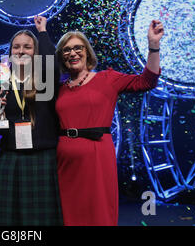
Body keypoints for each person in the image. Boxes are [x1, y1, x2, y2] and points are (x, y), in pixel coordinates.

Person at [55, 20, 164, 226]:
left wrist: (153, 46)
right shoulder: (58, 89)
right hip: (65, 163)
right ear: (62, 57)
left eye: (78, 48)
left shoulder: (107, 78)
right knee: (68, 215)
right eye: (67, 50)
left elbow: (147, 81)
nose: (73, 53)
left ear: (87, 52)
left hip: (97, 158)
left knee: (99, 213)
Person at [0, 16, 63, 226]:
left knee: (41, 219)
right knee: (9, 219)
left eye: (27, 47)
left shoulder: (44, 79)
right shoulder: (1, 82)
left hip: (42, 156)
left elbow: (52, 62)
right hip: (11, 156)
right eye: (16, 47)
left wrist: (42, 31)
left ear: (36, 52)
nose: (21, 51)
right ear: (10, 51)